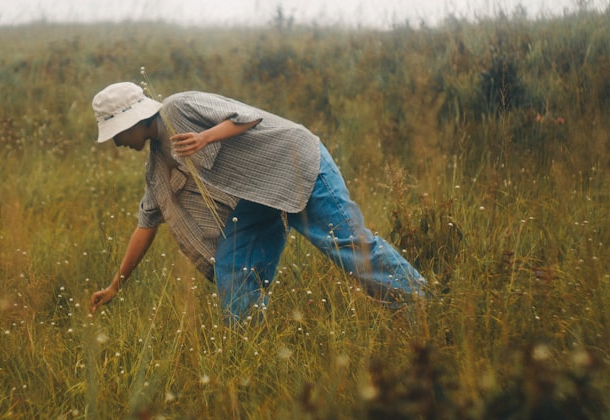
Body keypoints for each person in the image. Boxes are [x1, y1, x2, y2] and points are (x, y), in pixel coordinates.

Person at [88, 82, 427, 323]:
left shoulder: (178, 107)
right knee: (233, 263)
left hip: (295, 164)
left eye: (116, 133)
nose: (117, 143)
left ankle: (421, 305)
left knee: (347, 244)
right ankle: (247, 337)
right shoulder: (157, 167)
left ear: (134, 122)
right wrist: (116, 285)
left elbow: (247, 117)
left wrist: (204, 137)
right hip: (260, 195)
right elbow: (145, 225)